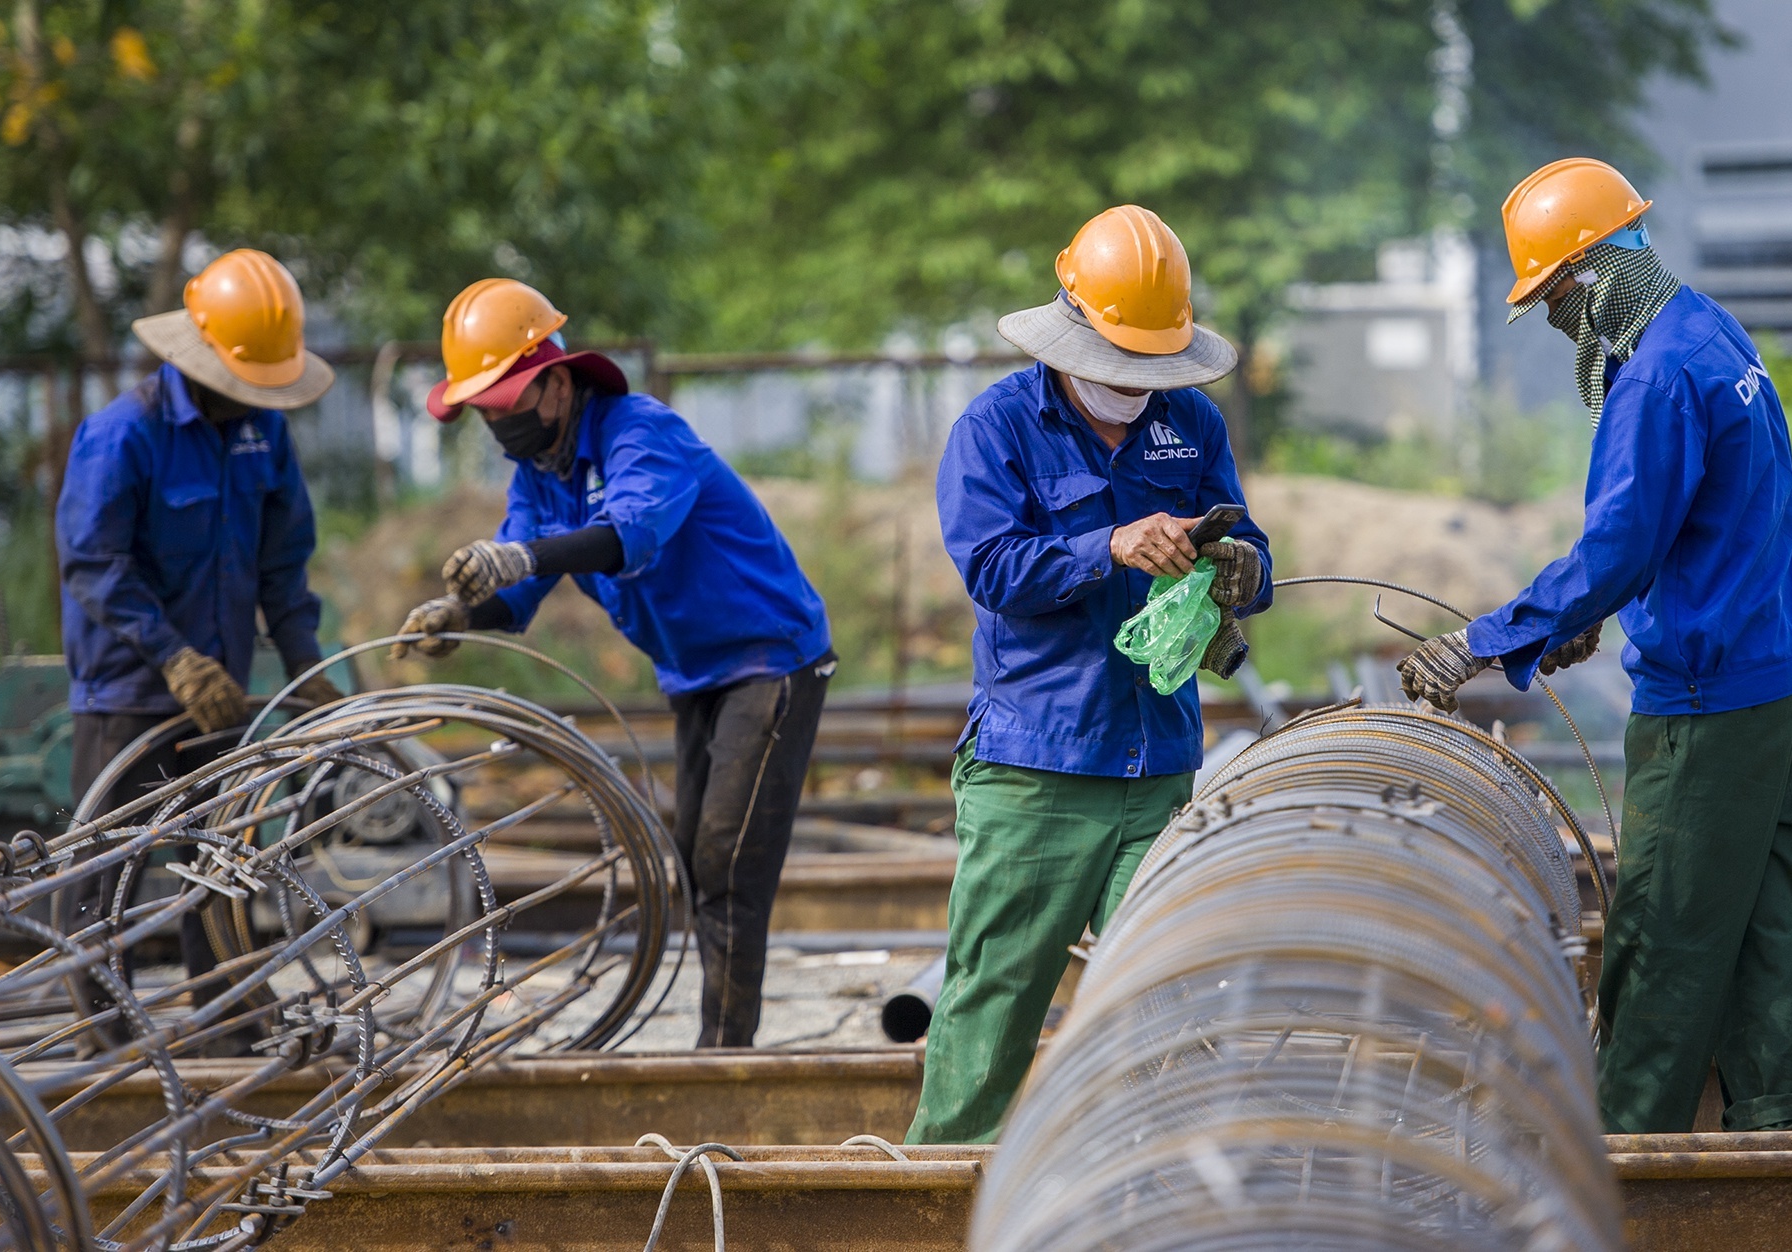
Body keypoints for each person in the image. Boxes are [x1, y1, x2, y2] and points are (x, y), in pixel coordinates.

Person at [1396, 158, 1792, 1135]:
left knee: (1663, 934)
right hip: (1770, 677)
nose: (1555, 323)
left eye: (1551, 299)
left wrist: (1479, 640)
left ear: (1589, 277)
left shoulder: (1659, 372)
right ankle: (1776, 1144)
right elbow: (1687, 522)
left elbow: (1620, 540)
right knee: (1762, 925)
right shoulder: (1706, 329)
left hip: (1705, 703)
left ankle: (1628, 1158)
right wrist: (1591, 606)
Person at [909, 205, 1273, 1144]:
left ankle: (1147, 1201)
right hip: (1038, 769)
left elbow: (1250, 542)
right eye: (1118, 367)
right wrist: (1108, 544)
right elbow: (994, 570)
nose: (1134, 387)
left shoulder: (1189, 422)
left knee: (1168, 1008)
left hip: (1155, 767)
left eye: (1152, 369)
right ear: (1070, 335)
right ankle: (944, 1192)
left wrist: (1243, 569)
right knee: (993, 1008)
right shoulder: (996, 431)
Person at [391, 278, 834, 1048]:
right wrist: (461, 618)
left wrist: (519, 555)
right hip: (696, 673)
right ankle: (722, 1044)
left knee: (728, 866)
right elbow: (519, 598)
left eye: (506, 404)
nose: (498, 424)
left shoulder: (640, 433)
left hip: (771, 662)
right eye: (485, 412)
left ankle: (725, 1058)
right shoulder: (540, 477)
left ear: (556, 386)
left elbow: (634, 536)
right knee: (699, 866)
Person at [57, 248, 344, 1022]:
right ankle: (102, 1028)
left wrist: (305, 664)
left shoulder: (263, 437)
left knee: (219, 858)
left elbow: (283, 563)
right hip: (128, 689)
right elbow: (93, 561)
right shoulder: (124, 436)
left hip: (222, 696)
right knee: (103, 866)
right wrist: (173, 657)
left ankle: (226, 1015)